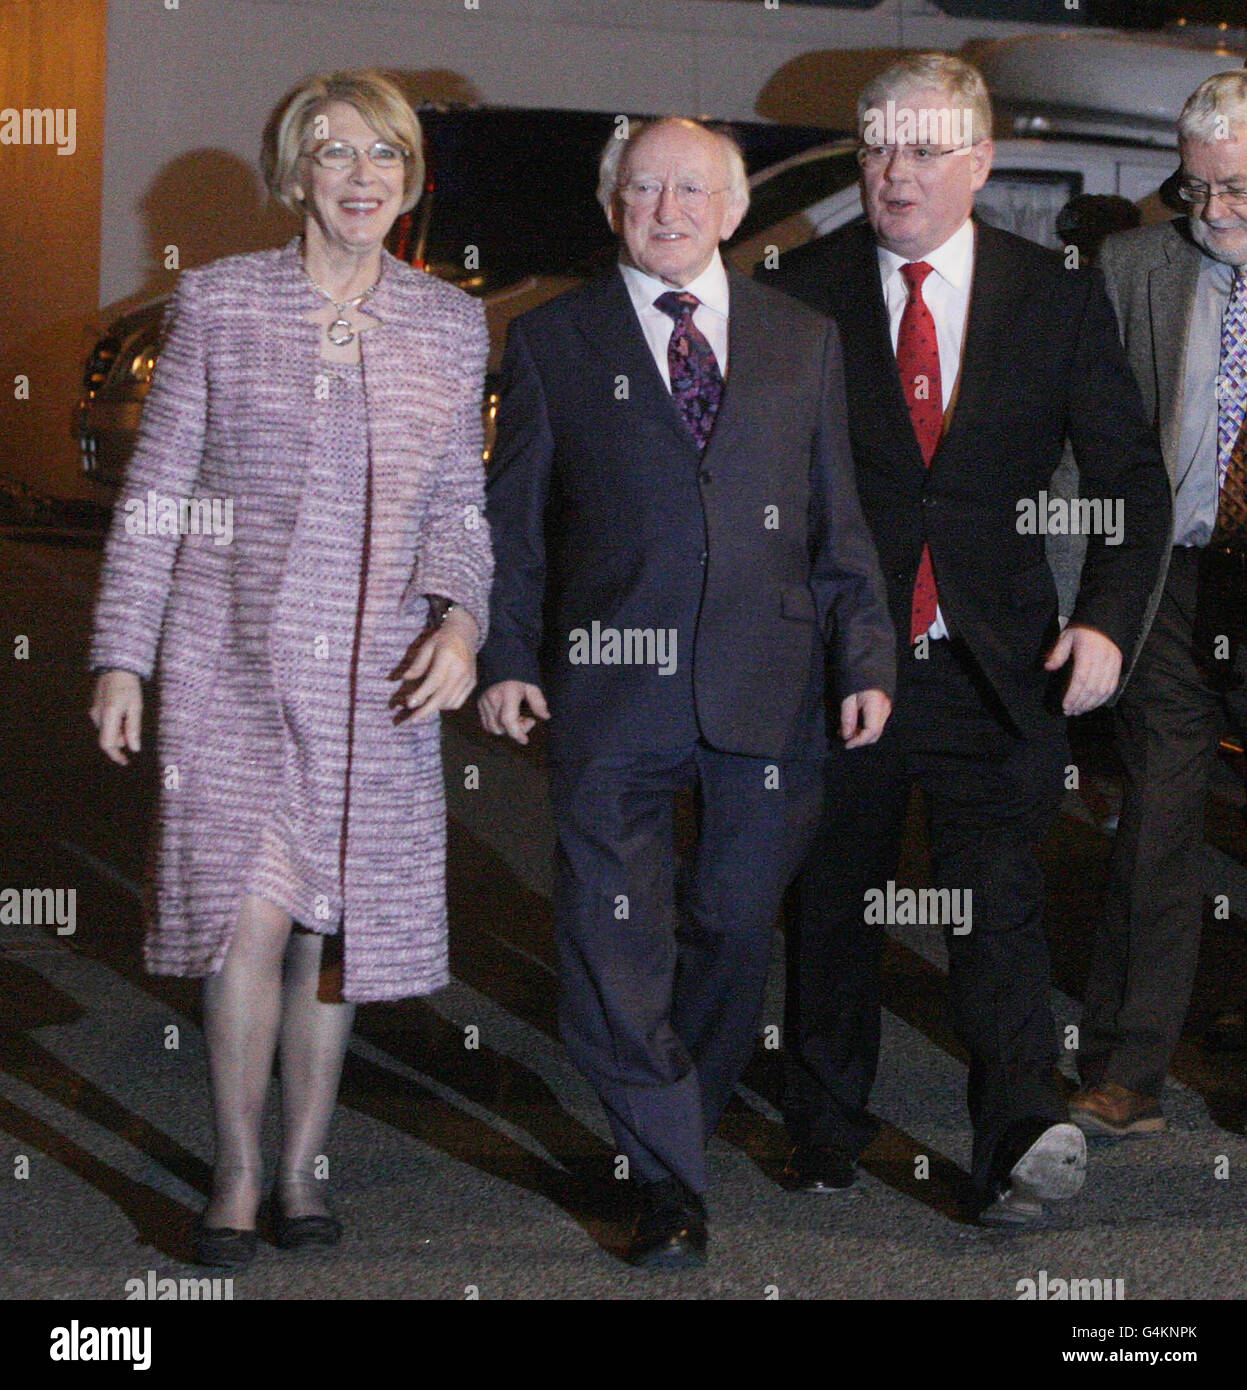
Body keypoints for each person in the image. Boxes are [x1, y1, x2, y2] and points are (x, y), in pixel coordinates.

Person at [89, 69, 492, 1267]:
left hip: (375, 680)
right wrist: (122, 656)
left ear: (409, 180)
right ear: (292, 172)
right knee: (243, 922)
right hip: (229, 663)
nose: (361, 177)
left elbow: (459, 509)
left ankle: (307, 1162)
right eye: (334, 153)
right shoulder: (216, 306)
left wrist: (462, 624)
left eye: (385, 156)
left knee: (333, 933)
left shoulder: (448, 321)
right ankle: (234, 1164)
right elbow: (156, 498)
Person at [760, 53, 1171, 1226]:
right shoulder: (801, 288)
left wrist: (1100, 617)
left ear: (979, 162)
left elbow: (1128, 481)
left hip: (998, 664)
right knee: (832, 898)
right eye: (878, 143)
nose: (896, 169)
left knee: (996, 904)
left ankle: (1013, 1141)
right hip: (845, 658)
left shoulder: (1054, 295)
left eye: (925, 146)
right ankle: (824, 1128)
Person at [477, 117, 895, 1269]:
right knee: (614, 939)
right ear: (611, 206)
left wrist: (864, 657)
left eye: (690, 188)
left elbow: (834, 519)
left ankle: (673, 1120)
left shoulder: (799, 340)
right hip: (609, 690)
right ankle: (664, 1181)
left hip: (769, 689)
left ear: (729, 206)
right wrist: (508, 655)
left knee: (728, 926)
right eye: (642, 188)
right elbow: (511, 532)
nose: (666, 208)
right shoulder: (552, 340)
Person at [1071, 71, 1247, 1133]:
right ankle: (1125, 1069)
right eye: (1193, 191)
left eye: (1234, 189)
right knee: (1155, 826)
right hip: (1174, 583)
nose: (1211, 214)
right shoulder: (1131, 265)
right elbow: (1083, 443)